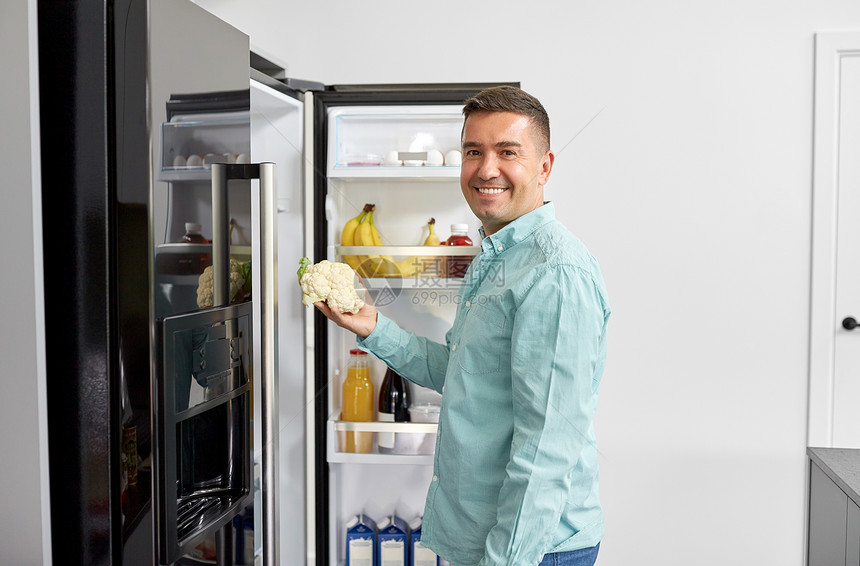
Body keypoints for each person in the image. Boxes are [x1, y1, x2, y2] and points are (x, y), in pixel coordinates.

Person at [316, 86, 610, 566]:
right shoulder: (495, 257)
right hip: (488, 536)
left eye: (507, 152)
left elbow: (546, 450)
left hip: (531, 550)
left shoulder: (555, 272)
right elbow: (464, 371)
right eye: (474, 151)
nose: (486, 168)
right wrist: (373, 325)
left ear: (545, 167)